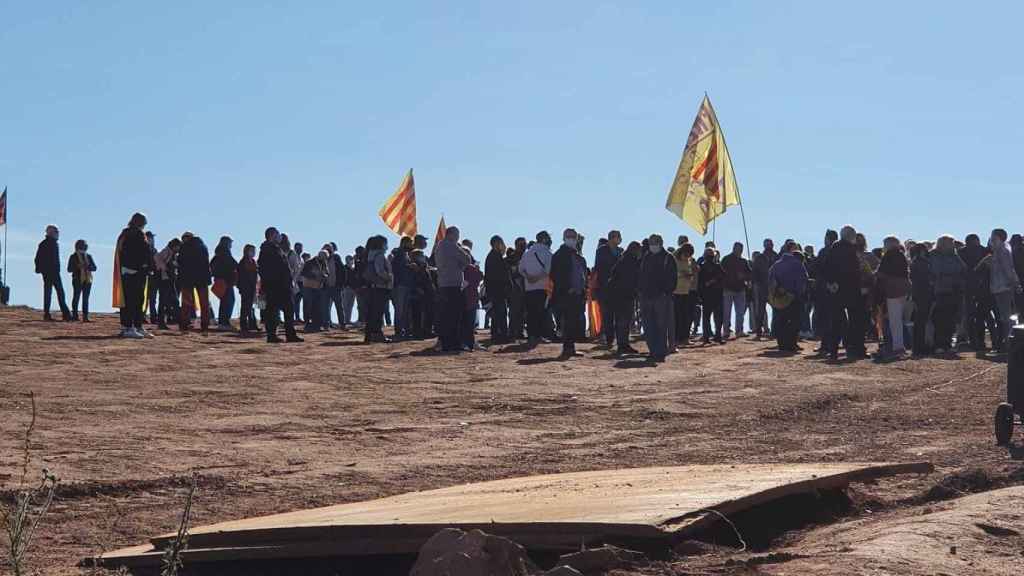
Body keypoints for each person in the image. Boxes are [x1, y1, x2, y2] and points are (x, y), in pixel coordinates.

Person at [823, 226, 868, 360]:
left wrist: (831, 283)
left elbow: (826, 268)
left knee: (836, 321)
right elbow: (855, 271)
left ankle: (834, 350)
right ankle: (856, 349)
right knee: (856, 321)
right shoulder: (852, 250)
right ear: (852, 237)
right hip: (852, 290)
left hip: (836, 290)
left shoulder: (833, 249)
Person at [258, 227, 302, 343]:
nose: (280, 237)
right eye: (277, 234)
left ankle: (289, 334)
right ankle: (272, 336)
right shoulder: (267, 249)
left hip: (282, 286)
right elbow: (267, 269)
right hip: (275, 286)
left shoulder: (275, 249)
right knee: (273, 311)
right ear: (272, 235)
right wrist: (277, 282)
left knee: (287, 310)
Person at [638, 234, 677, 362]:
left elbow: (673, 278)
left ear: (660, 243)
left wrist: (666, 292)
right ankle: (653, 350)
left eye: (655, 242)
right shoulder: (647, 256)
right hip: (646, 296)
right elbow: (641, 275)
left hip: (661, 297)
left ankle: (660, 352)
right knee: (648, 325)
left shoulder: (668, 257)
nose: (652, 245)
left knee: (661, 325)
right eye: (651, 242)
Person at [550, 228, 587, 359]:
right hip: (565, 295)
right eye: (569, 236)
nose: (571, 239)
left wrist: (582, 290)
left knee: (573, 322)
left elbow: (582, 274)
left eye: (573, 236)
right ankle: (567, 348)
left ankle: (570, 348)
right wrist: (567, 289)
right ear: (564, 238)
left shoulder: (576, 255)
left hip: (577, 294)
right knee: (567, 322)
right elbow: (555, 275)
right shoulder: (559, 255)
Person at [116, 214, 153, 338]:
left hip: (133, 271)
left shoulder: (126, 234)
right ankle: (128, 327)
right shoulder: (133, 235)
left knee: (138, 300)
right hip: (134, 271)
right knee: (131, 300)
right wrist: (142, 266)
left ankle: (137, 326)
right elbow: (139, 252)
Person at [929, 235, 966, 354]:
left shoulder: (954, 256)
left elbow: (963, 268)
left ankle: (948, 343)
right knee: (940, 319)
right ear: (943, 244)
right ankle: (938, 344)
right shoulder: (934, 255)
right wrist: (952, 274)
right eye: (951, 243)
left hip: (954, 290)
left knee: (951, 319)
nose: (953, 245)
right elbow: (937, 271)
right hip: (940, 290)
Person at [769, 246, 809, 352]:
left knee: (781, 321)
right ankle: (791, 344)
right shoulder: (798, 264)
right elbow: (802, 281)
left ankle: (782, 344)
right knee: (794, 321)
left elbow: (770, 280)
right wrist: (800, 294)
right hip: (793, 298)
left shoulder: (776, 264)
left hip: (778, 298)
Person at [876, 236, 910, 357]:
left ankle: (898, 347)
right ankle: (899, 345)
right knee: (898, 319)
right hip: (904, 289)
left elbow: (881, 273)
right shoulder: (902, 255)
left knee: (894, 320)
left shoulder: (888, 255)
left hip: (892, 290)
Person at [987, 228, 1020, 352]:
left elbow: (1008, 270)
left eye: (993, 237)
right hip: (999, 287)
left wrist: (1014, 284)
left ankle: (1010, 343)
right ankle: (1009, 342)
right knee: (1004, 316)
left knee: (1006, 317)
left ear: (999, 238)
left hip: (1003, 287)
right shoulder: (999, 251)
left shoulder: (1002, 251)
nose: (991, 240)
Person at [519, 230, 553, 346]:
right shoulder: (547, 253)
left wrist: (529, 277)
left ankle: (531, 336)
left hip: (529, 287)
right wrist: (537, 278)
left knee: (531, 313)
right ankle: (539, 336)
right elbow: (549, 271)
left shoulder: (527, 253)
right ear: (544, 239)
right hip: (542, 287)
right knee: (541, 313)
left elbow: (520, 269)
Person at [608, 241, 642, 356]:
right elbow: (631, 279)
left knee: (622, 321)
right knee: (624, 321)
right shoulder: (630, 261)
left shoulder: (623, 260)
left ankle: (623, 344)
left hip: (619, 294)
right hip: (625, 295)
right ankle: (623, 345)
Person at [957, 234, 989, 350]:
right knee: (981, 315)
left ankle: (973, 340)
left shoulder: (961, 252)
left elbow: (960, 270)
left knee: (970, 315)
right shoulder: (984, 250)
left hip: (968, 286)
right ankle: (980, 341)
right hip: (982, 286)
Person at [177, 231, 212, 335]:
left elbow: (180, 262)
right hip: (202, 278)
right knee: (204, 303)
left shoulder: (184, 247)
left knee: (186, 303)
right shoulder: (203, 246)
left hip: (187, 278)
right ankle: (205, 325)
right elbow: (206, 263)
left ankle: (184, 325)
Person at [34, 225, 71, 321]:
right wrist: (40, 269)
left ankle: (51, 314)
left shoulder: (48, 243)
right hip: (51, 272)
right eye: (56, 232)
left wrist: (40, 269)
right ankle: (65, 314)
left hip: (50, 272)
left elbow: (38, 258)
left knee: (50, 292)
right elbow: (38, 258)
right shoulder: (47, 244)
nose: (58, 234)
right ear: (52, 233)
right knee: (58, 292)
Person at [593, 230, 623, 348]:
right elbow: (598, 268)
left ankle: (618, 338)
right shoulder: (601, 251)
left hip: (618, 287)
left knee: (618, 314)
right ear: (612, 238)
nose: (620, 239)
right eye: (618, 237)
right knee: (607, 314)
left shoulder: (621, 251)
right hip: (604, 287)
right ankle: (609, 338)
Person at [362, 236, 394, 343]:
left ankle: (369, 336)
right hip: (380, 287)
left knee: (371, 312)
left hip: (372, 287)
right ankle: (377, 334)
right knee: (378, 313)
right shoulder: (379, 255)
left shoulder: (369, 255)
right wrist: (389, 277)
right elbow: (380, 270)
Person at [485, 235, 512, 344]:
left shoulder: (494, 256)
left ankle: (497, 335)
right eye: (501, 243)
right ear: (496, 244)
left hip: (496, 290)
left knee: (498, 313)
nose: (503, 246)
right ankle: (501, 335)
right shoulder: (494, 257)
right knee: (500, 313)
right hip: (497, 290)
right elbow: (499, 275)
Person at [720, 242, 751, 338]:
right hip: (728, 289)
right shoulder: (726, 259)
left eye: (741, 249)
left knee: (740, 312)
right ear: (733, 248)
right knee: (726, 312)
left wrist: (744, 276)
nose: (739, 251)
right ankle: (726, 331)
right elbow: (720, 273)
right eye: (738, 249)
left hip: (740, 289)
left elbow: (750, 274)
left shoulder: (743, 261)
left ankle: (739, 330)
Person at [751, 239, 778, 339]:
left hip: (774, 287)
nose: (769, 246)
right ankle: (759, 331)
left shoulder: (777, 256)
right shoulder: (759, 258)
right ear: (764, 245)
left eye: (770, 244)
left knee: (776, 309)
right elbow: (754, 272)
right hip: (762, 286)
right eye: (767, 244)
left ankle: (775, 331)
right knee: (760, 310)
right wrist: (755, 283)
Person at [673, 243, 698, 348]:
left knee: (686, 316)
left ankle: (685, 338)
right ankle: (676, 339)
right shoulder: (673, 258)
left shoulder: (689, 260)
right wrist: (682, 274)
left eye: (689, 256)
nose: (688, 257)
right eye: (687, 255)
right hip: (675, 292)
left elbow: (689, 272)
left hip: (686, 291)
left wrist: (691, 274)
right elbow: (672, 273)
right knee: (677, 317)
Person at [910, 243, 933, 356]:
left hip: (919, 294)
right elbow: (925, 279)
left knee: (920, 321)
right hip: (923, 294)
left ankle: (918, 346)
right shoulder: (922, 263)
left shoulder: (915, 263)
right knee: (921, 321)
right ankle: (919, 347)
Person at [390, 236, 416, 339]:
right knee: (400, 309)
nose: (412, 245)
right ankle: (399, 330)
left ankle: (403, 330)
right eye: (410, 243)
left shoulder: (404, 254)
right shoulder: (400, 254)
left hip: (405, 284)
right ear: (405, 243)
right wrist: (409, 266)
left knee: (404, 309)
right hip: (400, 285)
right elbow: (398, 268)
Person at [698, 247, 725, 344]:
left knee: (717, 318)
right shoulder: (701, 267)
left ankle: (716, 336)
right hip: (708, 295)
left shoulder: (717, 266)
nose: (710, 257)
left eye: (711, 255)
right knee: (708, 317)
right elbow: (700, 283)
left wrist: (714, 281)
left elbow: (723, 277)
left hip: (716, 295)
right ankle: (707, 337)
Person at [153, 238, 182, 329]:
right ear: (175, 246)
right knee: (165, 301)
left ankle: (176, 320)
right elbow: (157, 258)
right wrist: (164, 268)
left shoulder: (171, 253)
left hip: (169, 279)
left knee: (171, 301)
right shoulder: (167, 251)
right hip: (165, 280)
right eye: (178, 247)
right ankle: (162, 322)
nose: (178, 249)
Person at [211, 235, 238, 331]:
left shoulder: (218, 254)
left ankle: (223, 321)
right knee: (228, 301)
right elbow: (233, 265)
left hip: (221, 281)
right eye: (230, 242)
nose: (231, 245)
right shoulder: (225, 254)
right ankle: (224, 322)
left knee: (226, 301)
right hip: (225, 281)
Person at [67, 239, 97, 322]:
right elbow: (69, 269)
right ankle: (75, 316)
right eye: (82, 246)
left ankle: (85, 316)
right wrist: (78, 266)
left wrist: (87, 266)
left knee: (85, 298)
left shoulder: (88, 256)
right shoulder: (73, 256)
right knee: (76, 297)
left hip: (87, 280)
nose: (83, 247)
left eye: (84, 246)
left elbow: (94, 268)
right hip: (77, 279)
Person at [301, 250, 328, 333]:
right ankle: (307, 324)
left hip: (318, 287)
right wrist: (315, 276)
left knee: (317, 307)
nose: (324, 259)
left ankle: (316, 325)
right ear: (319, 255)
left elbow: (327, 272)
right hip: (308, 287)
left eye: (326, 258)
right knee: (308, 306)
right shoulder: (310, 262)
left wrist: (325, 276)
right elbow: (304, 273)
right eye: (323, 257)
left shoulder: (324, 263)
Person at [507, 237, 528, 341]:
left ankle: (519, 331)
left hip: (526, 287)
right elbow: (511, 272)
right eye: (521, 244)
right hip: (515, 287)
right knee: (514, 311)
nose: (523, 246)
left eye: (524, 244)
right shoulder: (511, 258)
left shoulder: (527, 256)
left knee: (523, 312)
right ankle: (512, 332)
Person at [237, 244, 259, 334]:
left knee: (251, 306)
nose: (253, 253)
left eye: (254, 251)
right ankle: (244, 325)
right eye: (252, 251)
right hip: (246, 287)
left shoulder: (253, 261)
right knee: (245, 306)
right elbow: (243, 275)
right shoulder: (243, 262)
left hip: (252, 286)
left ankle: (252, 324)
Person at [145, 231, 160, 324]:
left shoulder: (154, 250)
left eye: (152, 238)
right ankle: (141, 316)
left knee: (153, 299)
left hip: (154, 278)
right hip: (145, 276)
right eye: (150, 238)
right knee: (144, 298)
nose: (152, 240)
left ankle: (153, 317)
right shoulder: (144, 249)